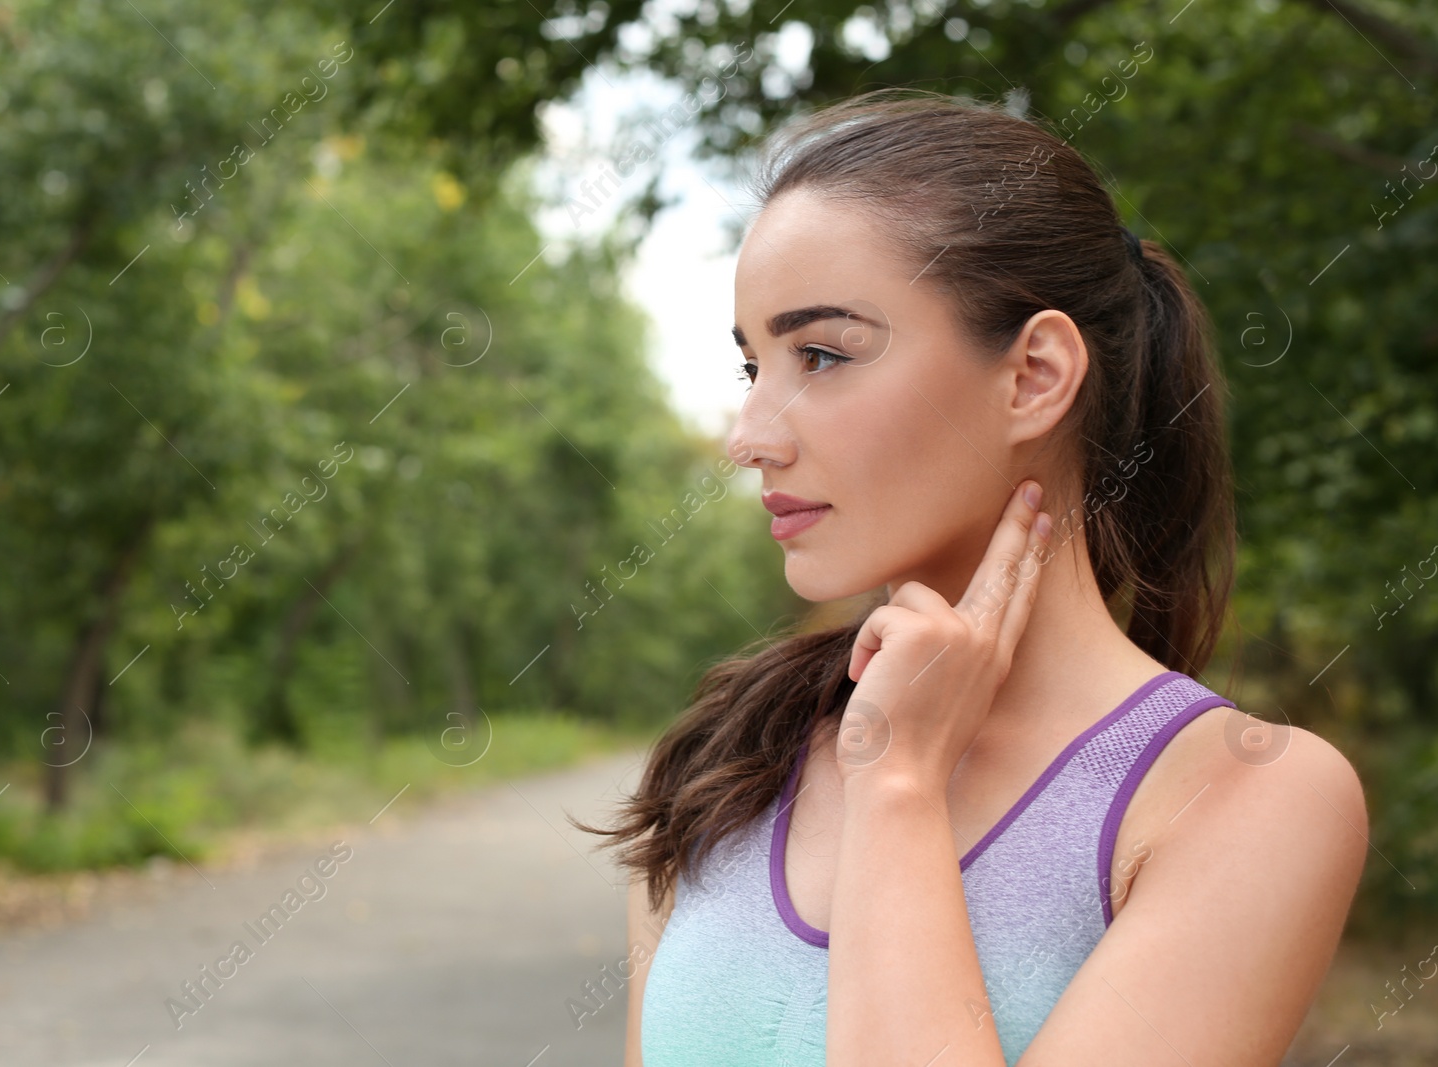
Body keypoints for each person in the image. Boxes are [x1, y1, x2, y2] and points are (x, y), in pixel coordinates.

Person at [570, 89, 1368, 1066]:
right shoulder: (728, 761)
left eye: (821, 354)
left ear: (1033, 375)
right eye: (752, 368)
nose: (749, 438)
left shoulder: (1244, 797)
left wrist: (897, 782)